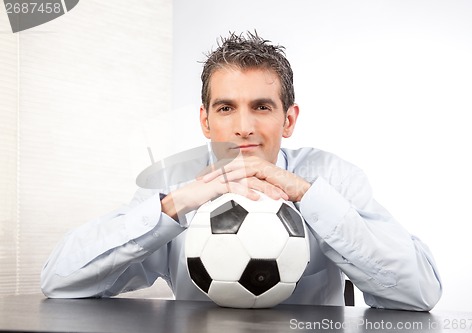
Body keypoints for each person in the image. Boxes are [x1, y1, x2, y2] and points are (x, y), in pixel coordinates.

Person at [41, 32, 442, 311]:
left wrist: (309, 197)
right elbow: (58, 280)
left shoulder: (333, 177)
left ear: (288, 120)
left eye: (262, 107)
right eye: (226, 107)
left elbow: (420, 291)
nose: (243, 127)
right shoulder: (173, 184)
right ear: (205, 121)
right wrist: (174, 206)